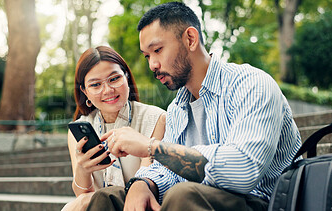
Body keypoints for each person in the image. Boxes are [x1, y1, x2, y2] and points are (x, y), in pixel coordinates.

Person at [86, 2, 302, 211]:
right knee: (109, 198)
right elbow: (169, 170)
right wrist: (142, 184)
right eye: (147, 56)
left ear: (190, 39)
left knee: (182, 194)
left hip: (262, 202)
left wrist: (151, 147)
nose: (152, 64)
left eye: (158, 50)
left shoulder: (252, 84)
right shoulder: (177, 108)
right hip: (196, 199)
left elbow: (243, 171)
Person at [62, 46, 166, 211]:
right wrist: (83, 169)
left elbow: (145, 183)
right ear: (85, 91)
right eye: (95, 85)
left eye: (114, 79)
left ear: (126, 77)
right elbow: (82, 196)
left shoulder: (155, 118)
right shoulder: (78, 129)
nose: (108, 90)